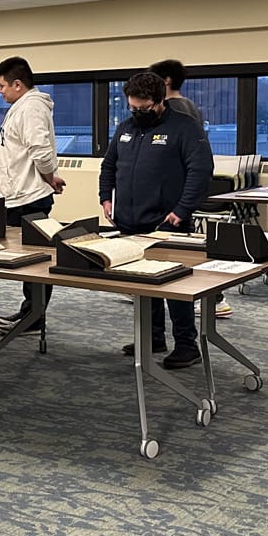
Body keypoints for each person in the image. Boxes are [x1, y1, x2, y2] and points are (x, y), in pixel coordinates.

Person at [100, 71, 214, 370]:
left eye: (144, 109)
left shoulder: (184, 128)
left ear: (160, 101)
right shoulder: (126, 128)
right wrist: (105, 196)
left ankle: (187, 346)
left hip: (169, 222)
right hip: (130, 222)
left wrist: (182, 210)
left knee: (175, 289)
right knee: (142, 284)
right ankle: (153, 337)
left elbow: (200, 171)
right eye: (133, 108)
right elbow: (109, 165)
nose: (138, 114)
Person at [150, 58, 232, 320]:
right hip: (179, 194)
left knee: (175, 257)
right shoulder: (188, 105)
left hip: (174, 197)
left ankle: (213, 298)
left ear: (166, 82)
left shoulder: (175, 110)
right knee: (177, 254)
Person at [0, 56, 65, 336]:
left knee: (36, 260)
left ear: (18, 84)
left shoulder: (31, 107)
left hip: (28, 198)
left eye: (2, 86)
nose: (0, 91)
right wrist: (50, 177)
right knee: (29, 260)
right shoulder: (23, 106)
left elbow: (40, 150)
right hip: (21, 194)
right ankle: (30, 310)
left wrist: (48, 176)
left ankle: (35, 317)